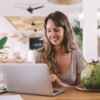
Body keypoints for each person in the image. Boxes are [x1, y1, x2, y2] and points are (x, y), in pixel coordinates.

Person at [35, 11, 85, 87]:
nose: (52, 34)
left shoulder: (77, 54)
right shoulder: (39, 54)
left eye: (56, 30)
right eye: (49, 31)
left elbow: (81, 88)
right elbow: (35, 85)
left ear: (66, 31)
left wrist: (60, 84)